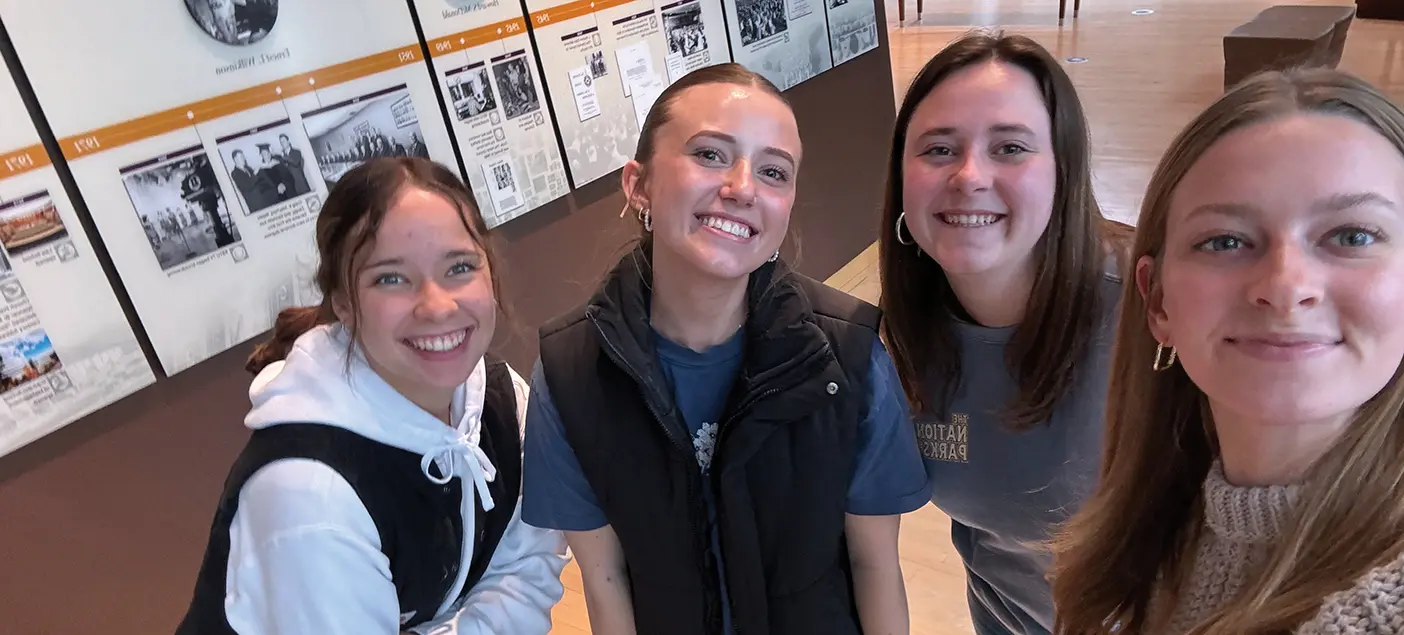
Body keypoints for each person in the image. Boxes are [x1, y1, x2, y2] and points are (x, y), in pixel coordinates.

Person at [520, 63, 932, 635]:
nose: (742, 188)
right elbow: (604, 575)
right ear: (638, 184)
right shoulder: (571, 372)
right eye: (710, 154)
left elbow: (875, 563)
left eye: (773, 171)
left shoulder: (850, 354)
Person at [1049, 67, 1404, 635]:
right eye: (1226, 241)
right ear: (1157, 301)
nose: (1286, 287)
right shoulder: (1149, 536)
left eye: (1352, 236)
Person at [175, 157, 569, 635]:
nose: (437, 306)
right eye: (391, 278)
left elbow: (527, 571)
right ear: (343, 303)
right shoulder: (309, 495)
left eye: (459, 267)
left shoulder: (504, 404)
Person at [877, 31, 1132, 635]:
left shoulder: (1151, 314)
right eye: (938, 149)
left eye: (1011, 147)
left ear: (1063, 172)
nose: (969, 176)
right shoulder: (906, 334)